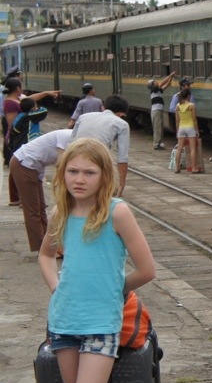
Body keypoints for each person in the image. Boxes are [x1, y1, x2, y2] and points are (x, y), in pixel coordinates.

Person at [38, 138, 156, 383]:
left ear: (104, 176)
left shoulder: (117, 213)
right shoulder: (60, 213)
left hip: (101, 325)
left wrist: (113, 288)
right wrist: (57, 287)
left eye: (89, 173)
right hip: (63, 323)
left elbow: (147, 270)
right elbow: (46, 255)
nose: (79, 179)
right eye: (73, 171)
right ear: (62, 173)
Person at [11, 129, 73, 252]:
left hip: (35, 168)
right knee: (33, 210)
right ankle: (42, 249)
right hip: (24, 163)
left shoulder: (73, 138)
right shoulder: (67, 136)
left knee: (41, 208)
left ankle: (49, 245)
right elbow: (62, 166)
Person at [3, 77, 60, 205]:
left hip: (21, 138)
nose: (22, 88)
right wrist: (12, 140)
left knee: (18, 166)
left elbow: (29, 100)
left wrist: (46, 93)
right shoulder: (10, 103)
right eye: (21, 86)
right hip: (19, 139)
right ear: (18, 88)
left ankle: (18, 197)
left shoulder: (16, 100)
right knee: (18, 166)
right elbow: (12, 124)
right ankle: (17, 197)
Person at [71, 95, 131, 196]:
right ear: (121, 114)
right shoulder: (122, 124)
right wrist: (121, 183)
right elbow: (122, 157)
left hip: (75, 159)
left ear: (103, 107)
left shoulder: (83, 117)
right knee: (104, 195)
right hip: (98, 159)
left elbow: (70, 144)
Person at [174, 88, 203, 174]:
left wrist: (177, 130)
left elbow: (177, 120)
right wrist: (197, 130)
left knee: (179, 149)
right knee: (192, 149)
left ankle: (177, 168)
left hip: (181, 128)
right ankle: (193, 168)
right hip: (190, 128)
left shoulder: (178, 106)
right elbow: (194, 119)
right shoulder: (191, 105)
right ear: (188, 96)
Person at [148, 72, 176, 150]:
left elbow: (167, 85)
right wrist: (170, 75)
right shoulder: (154, 90)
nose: (156, 82)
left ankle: (159, 143)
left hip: (158, 111)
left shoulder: (158, 91)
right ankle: (156, 144)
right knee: (157, 128)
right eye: (154, 82)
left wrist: (171, 78)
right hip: (156, 111)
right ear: (153, 85)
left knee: (159, 127)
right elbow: (162, 83)